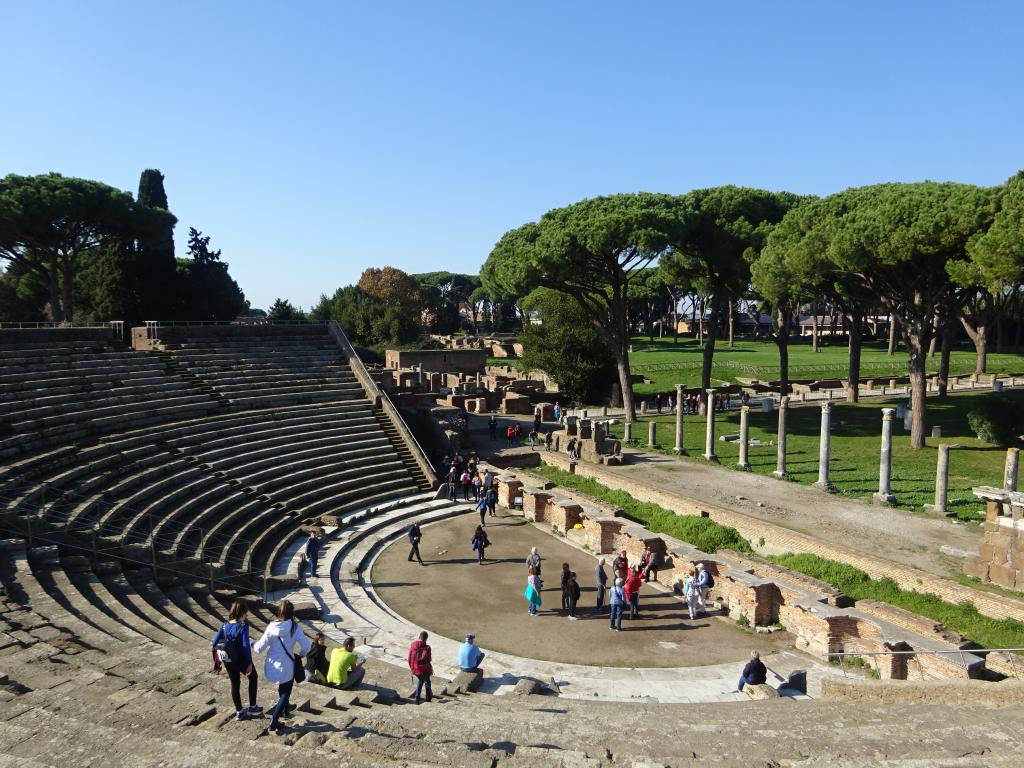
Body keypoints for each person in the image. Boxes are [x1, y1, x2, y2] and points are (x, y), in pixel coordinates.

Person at [253, 600, 311, 733]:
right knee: (286, 691)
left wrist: (252, 644)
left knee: (282, 686)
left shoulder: (271, 626)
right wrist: (301, 655)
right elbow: (306, 646)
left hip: (272, 664)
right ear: (292, 612)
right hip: (287, 664)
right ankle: (274, 720)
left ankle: (286, 709)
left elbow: (259, 648)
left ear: (279, 611)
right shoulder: (294, 627)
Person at [211, 600, 261, 721]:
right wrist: (249, 663)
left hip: (228, 660)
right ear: (241, 614)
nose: (246, 616)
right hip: (241, 660)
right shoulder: (243, 626)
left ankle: (239, 712)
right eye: (246, 614)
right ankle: (253, 707)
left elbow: (214, 644)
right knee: (253, 677)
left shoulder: (224, 625)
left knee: (235, 684)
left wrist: (218, 661)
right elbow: (246, 646)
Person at [407, 631, 433, 703]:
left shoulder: (413, 646)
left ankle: (417, 698)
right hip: (425, 669)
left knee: (421, 680)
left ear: (419, 637)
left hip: (415, 669)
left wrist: (412, 668)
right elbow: (429, 660)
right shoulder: (427, 648)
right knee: (427, 682)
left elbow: (409, 659)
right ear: (426, 639)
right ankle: (428, 698)